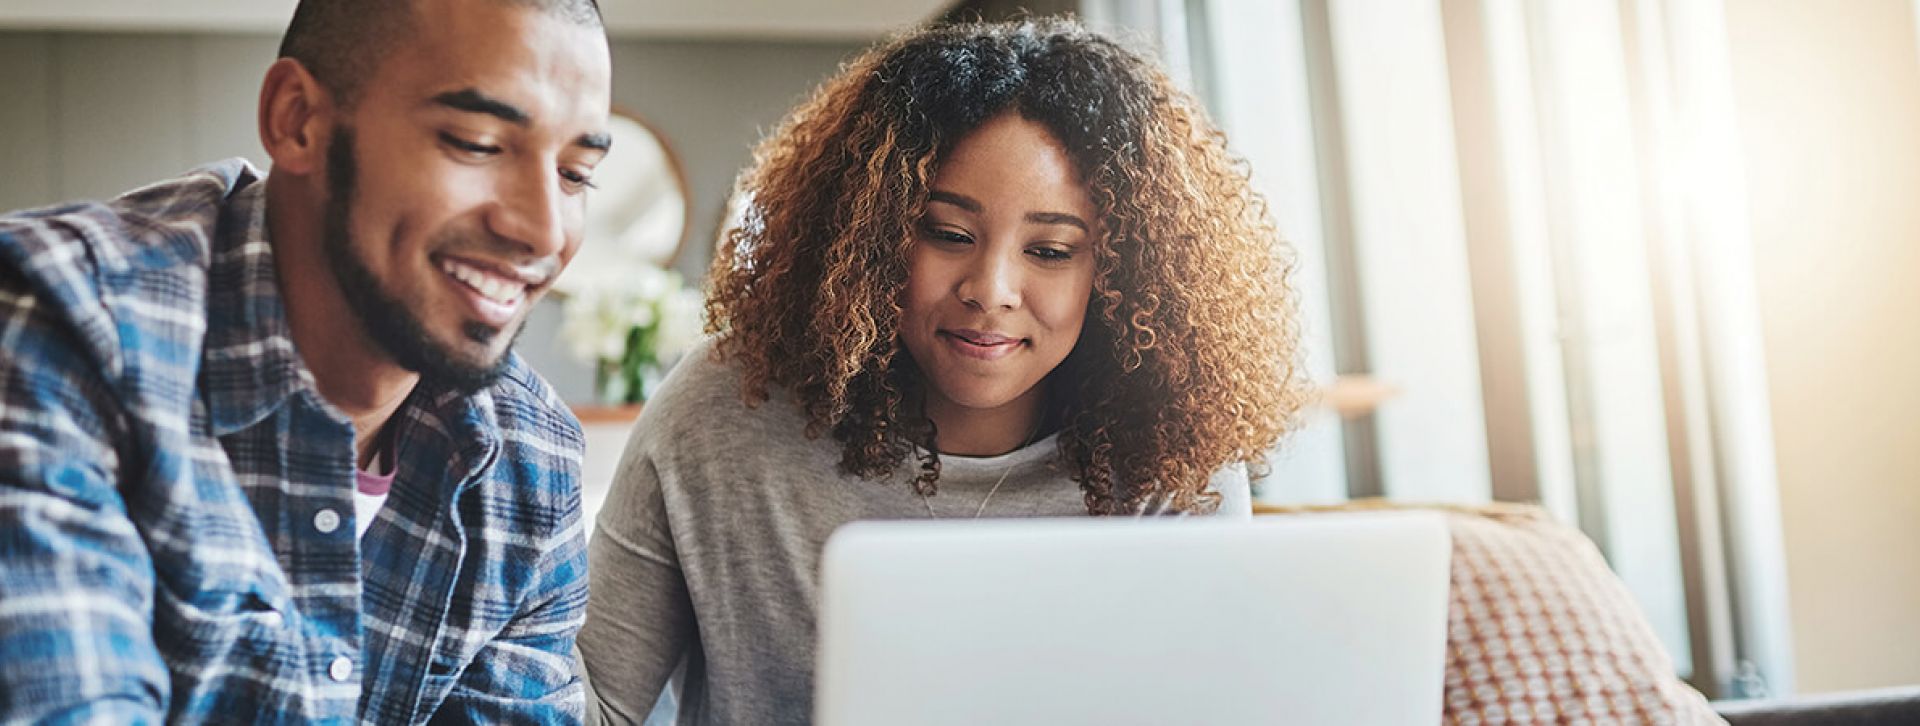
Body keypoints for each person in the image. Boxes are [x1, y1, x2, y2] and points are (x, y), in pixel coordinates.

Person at [578, 18, 1308, 725]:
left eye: (1051, 251)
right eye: (947, 234)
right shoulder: (726, 406)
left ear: (1121, 272)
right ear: (866, 234)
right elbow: (594, 704)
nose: (991, 289)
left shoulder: (1166, 451)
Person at [0, 0, 611, 722]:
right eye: (476, 143)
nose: (542, 228)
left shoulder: (530, 459)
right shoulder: (61, 323)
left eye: (576, 175)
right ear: (297, 120)